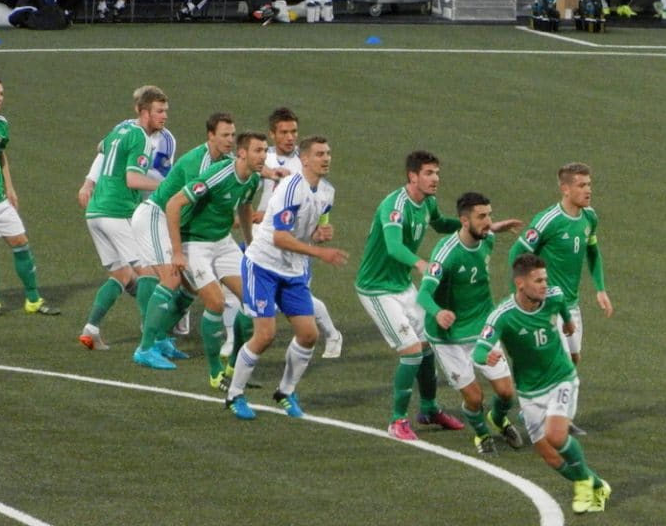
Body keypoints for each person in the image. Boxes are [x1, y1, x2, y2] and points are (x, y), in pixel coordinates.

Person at [472, 254, 611, 514]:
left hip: (561, 379)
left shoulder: (554, 297)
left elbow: (563, 308)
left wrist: (568, 322)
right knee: (549, 455)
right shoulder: (503, 315)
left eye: (545, 279)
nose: (545, 285)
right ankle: (595, 484)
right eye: (538, 281)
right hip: (529, 391)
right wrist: (485, 357)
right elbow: (479, 350)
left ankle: (583, 485)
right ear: (520, 283)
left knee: (556, 436)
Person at [225, 135, 348, 420]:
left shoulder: (327, 192)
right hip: (263, 266)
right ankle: (234, 394)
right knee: (265, 335)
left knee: (309, 334)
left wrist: (320, 235)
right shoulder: (291, 188)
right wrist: (320, 252)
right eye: (319, 154)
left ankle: (285, 391)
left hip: (292, 270)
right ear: (304, 159)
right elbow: (280, 237)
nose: (326, 158)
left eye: (328, 153)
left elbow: (311, 230)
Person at [355, 150, 465, 441]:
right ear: (412, 176)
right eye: (429, 173)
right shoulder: (394, 206)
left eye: (437, 172)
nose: (435, 178)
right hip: (377, 289)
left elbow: (440, 224)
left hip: (402, 286)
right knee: (411, 351)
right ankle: (397, 421)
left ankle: (429, 409)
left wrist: (472, 225)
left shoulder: (428, 202)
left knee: (427, 345)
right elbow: (393, 247)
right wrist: (419, 263)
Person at [417, 192, 525, 454]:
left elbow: (488, 231)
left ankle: (498, 419)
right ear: (464, 221)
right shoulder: (446, 253)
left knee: (506, 393)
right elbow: (423, 294)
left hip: (482, 328)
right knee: (474, 397)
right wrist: (438, 312)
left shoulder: (486, 239)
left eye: (489, 215)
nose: (488, 221)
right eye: (482, 216)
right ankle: (481, 434)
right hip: (449, 336)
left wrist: (497, 227)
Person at [129, 111, 238, 369]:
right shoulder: (198, 163)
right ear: (210, 136)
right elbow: (180, 207)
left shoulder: (226, 161)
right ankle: (145, 348)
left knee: (190, 287)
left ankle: (160, 338)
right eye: (224, 135)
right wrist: (179, 251)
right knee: (172, 278)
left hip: (172, 220)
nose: (230, 140)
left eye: (233, 135)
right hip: (155, 216)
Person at [165, 131, 266, 386]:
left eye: (265, 150)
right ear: (242, 153)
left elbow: (245, 207)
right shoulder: (218, 175)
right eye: (258, 150)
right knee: (216, 303)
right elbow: (174, 204)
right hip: (194, 243)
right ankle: (214, 374)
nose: (263, 156)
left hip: (222, 242)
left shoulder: (254, 179)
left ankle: (234, 367)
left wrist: (250, 245)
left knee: (253, 301)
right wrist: (177, 252)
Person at [246, 107, 343, 360]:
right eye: (284, 132)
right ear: (272, 134)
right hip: (262, 236)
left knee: (297, 297)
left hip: (294, 244)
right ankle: (237, 344)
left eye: (294, 132)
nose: (290, 137)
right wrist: (252, 215)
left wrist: (321, 231)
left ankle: (331, 333)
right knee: (243, 296)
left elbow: (319, 214)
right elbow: (244, 179)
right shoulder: (263, 157)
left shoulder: (305, 163)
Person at [81, 87, 167, 352]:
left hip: (95, 212)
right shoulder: (142, 138)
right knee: (148, 271)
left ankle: (91, 329)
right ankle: (150, 339)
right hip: (116, 211)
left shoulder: (121, 130)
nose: (164, 116)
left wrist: (90, 182)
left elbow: (101, 147)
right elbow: (132, 179)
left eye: (165, 111)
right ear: (144, 112)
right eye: (159, 111)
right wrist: (166, 187)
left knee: (121, 274)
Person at [508, 162, 613, 367]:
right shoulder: (548, 221)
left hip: (571, 304)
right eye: (581, 185)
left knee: (573, 360)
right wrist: (518, 298)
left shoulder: (589, 217)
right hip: (546, 304)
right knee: (561, 367)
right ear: (565, 189)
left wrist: (600, 289)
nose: (588, 190)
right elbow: (516, 253)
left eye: (589, 184)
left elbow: (592, 251)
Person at [0, 78, 60, 318]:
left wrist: (10, 188)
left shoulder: (1, 125)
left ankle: (33, 300)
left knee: (21, 243)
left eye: (1, 94)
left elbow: (0, 154)